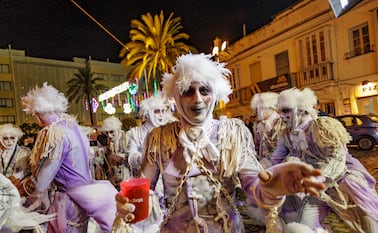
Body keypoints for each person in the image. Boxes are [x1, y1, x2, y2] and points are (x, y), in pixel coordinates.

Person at [113, 53, 325, 233]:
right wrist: (127, 205)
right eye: (188, 91)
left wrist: (275, 183)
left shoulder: (232, 133)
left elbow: (254, 184)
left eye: (204, 90)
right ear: (176, 97)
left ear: (215, 94)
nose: (197, 99)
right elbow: (141, 187)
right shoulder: (159, 138)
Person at [271, 87, 378, 232]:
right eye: (280, 112)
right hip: (317, 188)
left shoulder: (323, 126)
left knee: (369, 222)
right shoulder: (288, 134)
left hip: (344, 180)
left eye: (285, 111)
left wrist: (320, 177)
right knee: (304, 225)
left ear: (301, 109)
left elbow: (337, 158)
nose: (281, 116)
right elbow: (284, 157)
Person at [20, 82, 117, 232]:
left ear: (37, 114)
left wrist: (25, 188)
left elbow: (43, 178)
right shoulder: (74, 127)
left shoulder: (54, 132)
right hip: (84, 197)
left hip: (67, 201)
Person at [125, 94, 177, 233]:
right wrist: (147, 157)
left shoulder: (169, 133)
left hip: (167, 185)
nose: (161, 115)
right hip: (146, 183)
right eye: (156, 111)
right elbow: (130, 156)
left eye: (163, 111)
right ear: (147, 114)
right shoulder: (135, 133)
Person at [0, 123, 32, 196]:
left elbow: (28, 170)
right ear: (0, 139)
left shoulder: (25, 152)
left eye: (12, 138)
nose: (9, 141)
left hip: (18, 187)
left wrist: (15, 177)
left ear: (17, 137)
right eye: (5, 138)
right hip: (0, 188)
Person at [250, 92, 285, 168]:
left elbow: (280, 150)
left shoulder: (280, 123)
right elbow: (256, 146)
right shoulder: (259, 125)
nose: (255, 112)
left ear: (268, 107)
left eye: (258, 109)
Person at [96, 116, 130, 187]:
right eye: (107, 133)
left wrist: (121, 156)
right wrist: (102, 150)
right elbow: (106, 151)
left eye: (111, 132)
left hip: (125, 170)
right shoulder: (108, 140)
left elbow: (130, 154)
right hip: (112, 172)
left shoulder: (126, 137)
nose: (109, 135)